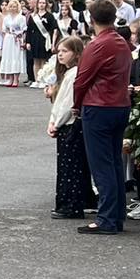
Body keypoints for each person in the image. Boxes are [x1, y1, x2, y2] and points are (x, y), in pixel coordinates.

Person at [72, 0, 133, 235]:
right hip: (120, 105)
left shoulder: (97, 44)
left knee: (102, 165)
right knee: (115, 162)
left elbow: (82, 79)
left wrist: (76, 105)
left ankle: (106, 217)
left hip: (98, 106)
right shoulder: (121, 42)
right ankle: (116, 215)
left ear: (91, 19)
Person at [46, 35, 89, 220]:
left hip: (69, 125)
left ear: (76, 53)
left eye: (65, 51)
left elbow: (68, 105)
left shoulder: (75, 74)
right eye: (59, 51)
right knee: (65, 167)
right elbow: (59, 103)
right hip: (63, 123)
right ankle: (66, 203)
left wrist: (57, 123)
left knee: (71, 167)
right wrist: (52, 120)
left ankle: (71, 205)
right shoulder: (68, 73)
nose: (60, 55)